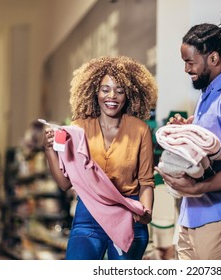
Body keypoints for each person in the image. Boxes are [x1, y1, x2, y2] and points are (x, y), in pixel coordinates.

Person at [155, 13, 221, 260]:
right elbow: (215, 139)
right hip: (194, 215)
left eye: (190, 62)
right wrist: (188, 129)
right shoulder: (210, 93)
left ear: (213, 58)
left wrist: (198, 187)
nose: (186, 69)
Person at [43, 55, 158, 260]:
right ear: (94, 91)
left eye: (119, 90)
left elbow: (146, 182)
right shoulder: (78, 128)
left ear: (129, 94)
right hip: (89, 214)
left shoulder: (140, 130)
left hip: (129, 214)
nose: (111, 96)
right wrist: (49, 150)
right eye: (105, 89)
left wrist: (146, 212)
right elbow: (64, 183)